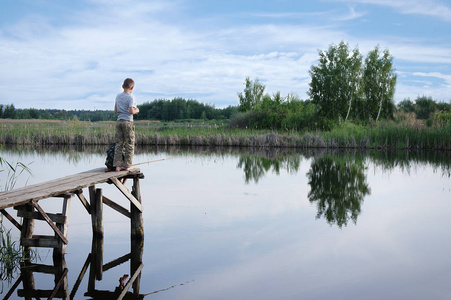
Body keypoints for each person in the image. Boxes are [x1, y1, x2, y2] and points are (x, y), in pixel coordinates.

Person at [113, 78, 139, 172]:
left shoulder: (118, 96)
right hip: (128, 122)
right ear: (132, 87)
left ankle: (117, 166)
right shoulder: (130, 97)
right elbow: (131, 111)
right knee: (129, 144)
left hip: (119, 121)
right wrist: (137, 110)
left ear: (122, 86)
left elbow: (115, 111)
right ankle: (127, 165)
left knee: (119, 144)